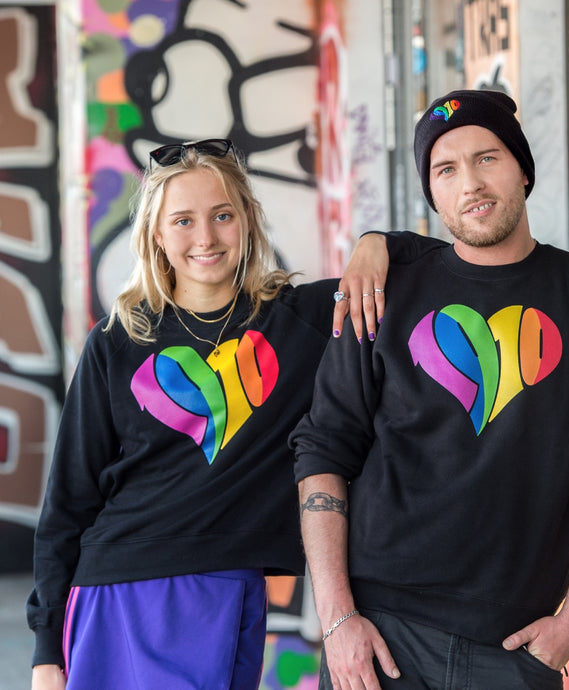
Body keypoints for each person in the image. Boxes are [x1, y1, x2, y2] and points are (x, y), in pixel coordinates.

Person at [26, 138, 425, 690]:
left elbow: (432, 266)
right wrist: (47, 650)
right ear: (157, 235)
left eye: (221, 216)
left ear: (247, 221)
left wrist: (375, 243)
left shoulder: (299, 322)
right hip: (127, 590)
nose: (206, 238)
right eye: (183, 221)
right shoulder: (119, 341)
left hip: (234, 586)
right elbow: (67, 503)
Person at [290, 90, 569, 690]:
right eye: (446, 170)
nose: (471, 184)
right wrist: (336, 618)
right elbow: (323, 451)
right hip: (380, 634)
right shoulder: (382, 295)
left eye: (488, 158)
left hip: (515, 645)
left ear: (523, 168)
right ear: (432, 193)